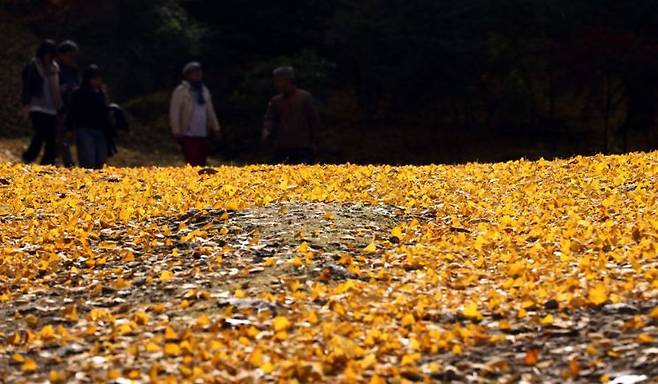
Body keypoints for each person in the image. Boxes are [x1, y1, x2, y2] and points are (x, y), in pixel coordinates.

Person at [262, 66, 320, 165]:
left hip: (302, 147)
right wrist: (267, 131)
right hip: (282, 147)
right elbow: (270, 119)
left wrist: (314, 141)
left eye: (279, 80)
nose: (277, 84)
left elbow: (314, 120)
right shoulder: (276, 101)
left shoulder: (304, 97)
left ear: (287, 80)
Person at [169, 62, 221, 167]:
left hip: (202, 132)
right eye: (194, 72)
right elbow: (174, 112)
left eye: (199, 72)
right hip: (188, 133)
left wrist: (216, 128)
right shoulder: (181, 91)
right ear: (187, 75)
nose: (197, 74)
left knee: (202, 161)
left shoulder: (204, 90)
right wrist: (176, 131)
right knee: (191, 162)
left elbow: (210, 111)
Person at [20, 40, 62, 165]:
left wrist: (61, 106)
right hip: (36, 105)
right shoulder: (33, 66)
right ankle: (28, 157)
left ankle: (47, 162)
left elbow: (58, 87)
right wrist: (26, 103)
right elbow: (26, 86)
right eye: (48, 54)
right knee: (41, 132)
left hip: (52, 106)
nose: (49, 58)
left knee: (51, 137)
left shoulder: (55, 67)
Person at [67, 65, 111, 169]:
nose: (98, 81)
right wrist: (69, 128)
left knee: (101, 161)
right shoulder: (78, 93)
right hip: (84, 129)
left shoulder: (101, 94)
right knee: (88, 160)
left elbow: (105, 111)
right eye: (95, 79)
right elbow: (72, 111)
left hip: (100, 130)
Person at [56, 40, 81, 167]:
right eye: (70, 56)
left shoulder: (73, 70)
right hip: (60, 106)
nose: (72, 59)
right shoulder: (56, 69)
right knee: (62, 135)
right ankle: (68, 163)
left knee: (70, 135)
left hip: (73, 107)